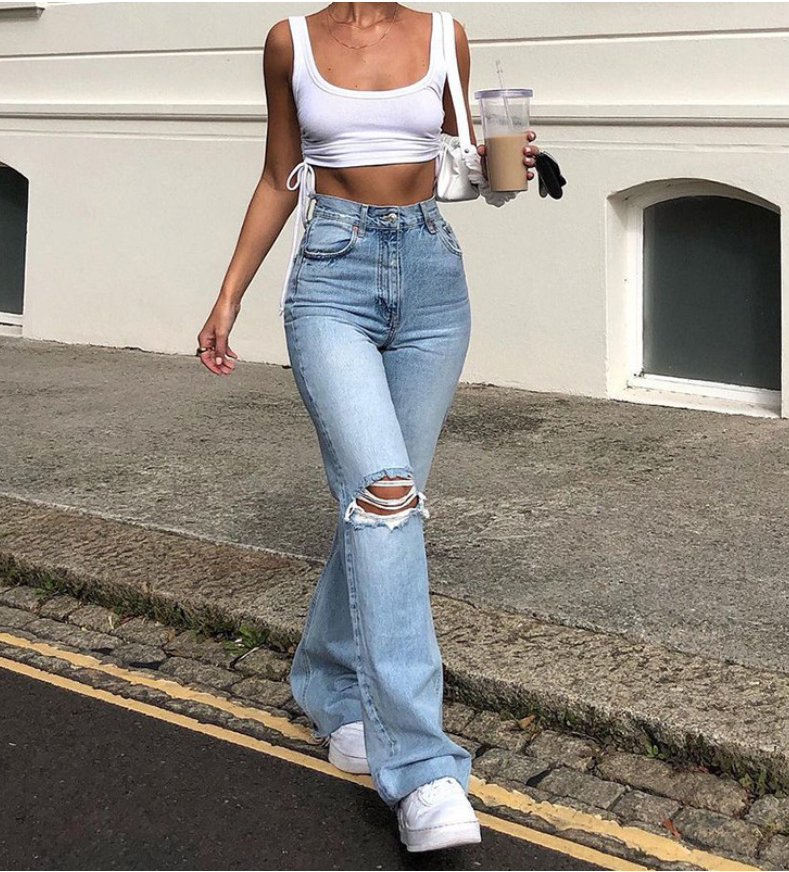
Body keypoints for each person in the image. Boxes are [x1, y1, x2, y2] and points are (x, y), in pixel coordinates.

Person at [197, 2, 538, 853]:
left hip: (432, 280)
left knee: (385, 506)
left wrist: (514, 168)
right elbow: (280, 175)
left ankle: (329, 682)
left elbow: (475, 170)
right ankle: (421, 767)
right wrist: (229, 294)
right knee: (385, 496)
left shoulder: (446, 34)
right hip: (331, 279)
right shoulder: (291, 41)